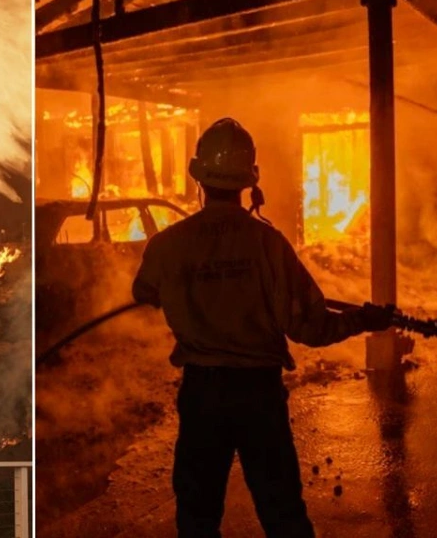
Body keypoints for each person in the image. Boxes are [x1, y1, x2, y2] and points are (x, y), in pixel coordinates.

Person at [131, 118, 394, 538]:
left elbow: (143, 291)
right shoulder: (267, 244)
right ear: (248, 181)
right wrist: (364, 319)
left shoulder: (167, 245)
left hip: (203, 394)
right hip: (258, 396)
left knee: (197, 517)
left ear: (198, 176)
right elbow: (310, 326)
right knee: (282, 511)